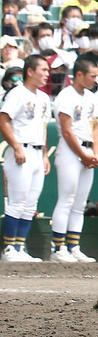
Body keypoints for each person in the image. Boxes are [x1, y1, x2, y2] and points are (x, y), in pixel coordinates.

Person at [50, 57, 98, 263]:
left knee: (80, 203)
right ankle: (58, 247)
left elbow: (95, 127)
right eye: (92, 76)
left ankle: (74, 246)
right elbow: (66, 130)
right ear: (79, 75)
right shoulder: (66, 96)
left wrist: (96, 153)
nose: (95, 80)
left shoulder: (90, 97)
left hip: (88, 150)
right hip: (71, 152)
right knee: (67, 199)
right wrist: (83, 155)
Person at [0, 55, 52, 262]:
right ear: (30, 71)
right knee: (17, 201)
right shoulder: (17, 94)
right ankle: (9, 248)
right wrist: (16, 146)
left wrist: (45, 154)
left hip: (37, 152)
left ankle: (20, 247)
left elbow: (44, 127)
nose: (47, 74)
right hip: (20, 151)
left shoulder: (44, 98)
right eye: (44, 70)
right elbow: (3, 120)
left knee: (31, 203)